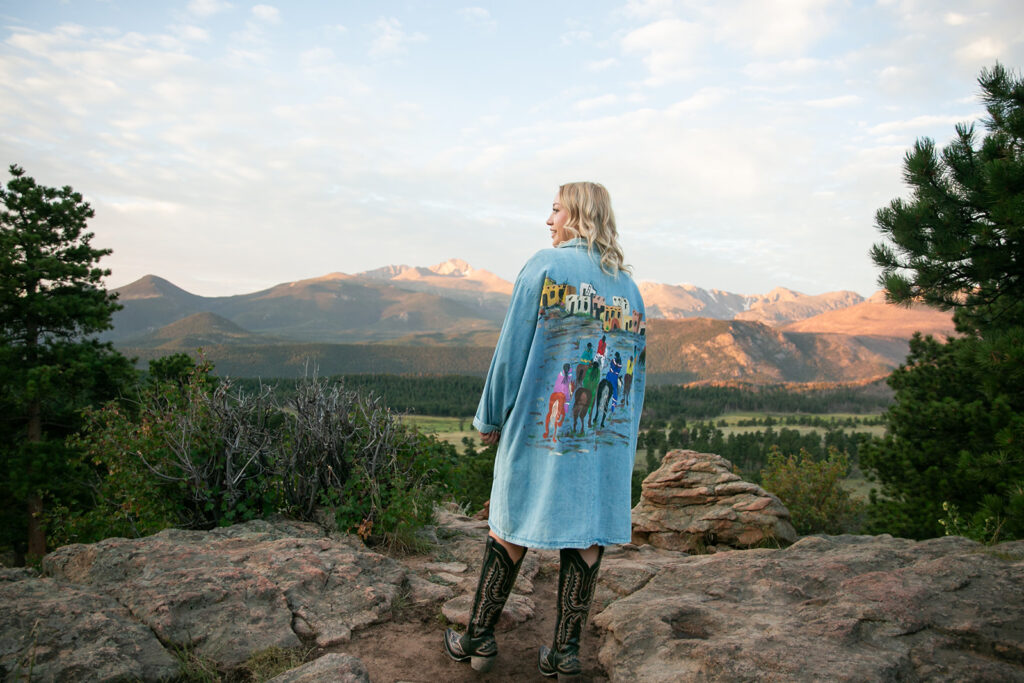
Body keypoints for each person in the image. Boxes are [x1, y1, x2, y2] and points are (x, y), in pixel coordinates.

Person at [443, 182, 647, 679]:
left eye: (555, 209)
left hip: (541, 433)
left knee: (510, 523)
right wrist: (621, 440)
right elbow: (635, 375)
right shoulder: (629, 287)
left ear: (575, 213)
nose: (548, 220)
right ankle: (563, 655)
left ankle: (479, 638)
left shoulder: (543, 266)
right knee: (589, 534)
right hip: (605, 436)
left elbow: (512, 350)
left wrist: (490, 416)